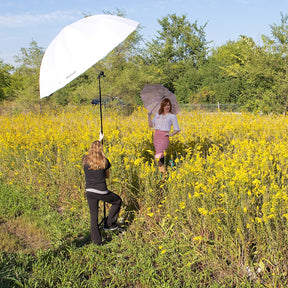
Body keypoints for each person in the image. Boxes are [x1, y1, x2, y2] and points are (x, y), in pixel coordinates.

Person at [82, 134, 122, 245]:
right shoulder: (105, 161)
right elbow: (107, 173)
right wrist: (100, 142)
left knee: (93, 217)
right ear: (101, 150)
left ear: (90, 148)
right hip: (101, 192)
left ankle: (97, 242)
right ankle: (109, 223)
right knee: (117, 201)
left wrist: (99, 140)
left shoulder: (85, 160)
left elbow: (90, 153)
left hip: (89, 192)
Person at [148, 98, 180, 174]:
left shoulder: (172, 116)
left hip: (164, 137)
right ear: (162, 106)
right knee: (160, 156)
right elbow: (151, 125)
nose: (167, 107)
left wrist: (170, 134)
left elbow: (177, 129)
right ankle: (169, 165)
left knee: (157, 156)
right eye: (165, 105)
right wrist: (149, 116)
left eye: (168, 105)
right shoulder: (158, 115)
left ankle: (164, 175)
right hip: (156, 136)